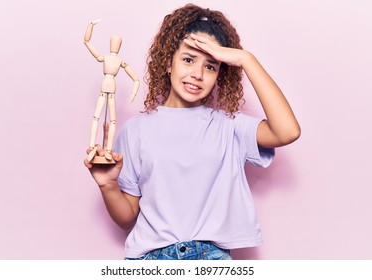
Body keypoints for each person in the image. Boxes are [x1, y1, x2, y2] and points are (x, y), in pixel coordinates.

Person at [84, 3, 300, 260]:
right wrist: (108, 185)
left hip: (212, 260)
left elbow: (287, 131)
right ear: (168, 63)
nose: (197, 74)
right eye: (188, 60)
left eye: (210, 66)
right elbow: (127, 217)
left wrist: (246, 59)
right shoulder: (136, 130)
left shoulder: (229, 126)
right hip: (151, 260)